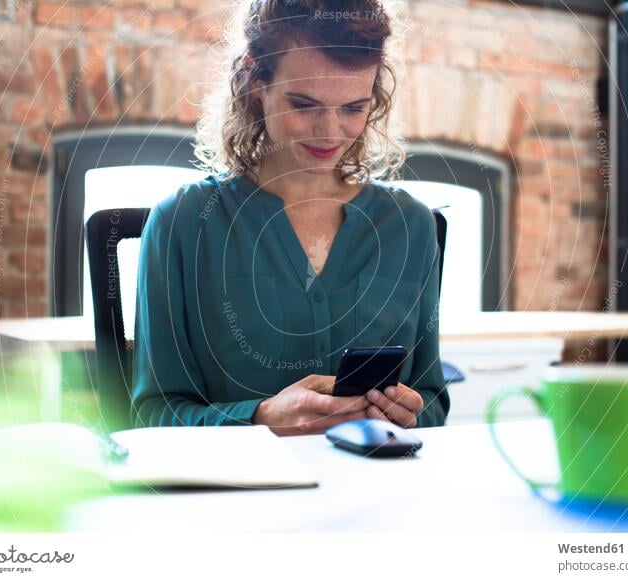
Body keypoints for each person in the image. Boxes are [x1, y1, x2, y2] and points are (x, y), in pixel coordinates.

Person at [132, 0, 450, 434]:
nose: (330, 132)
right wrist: (259, 418)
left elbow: (431, 400)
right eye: (304, 105)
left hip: (377, 489)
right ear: (255, 80)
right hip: (233, 496)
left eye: (354, 108)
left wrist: (410, 411)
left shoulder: (411, 226)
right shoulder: (183, 223)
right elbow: (153, 415)